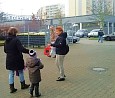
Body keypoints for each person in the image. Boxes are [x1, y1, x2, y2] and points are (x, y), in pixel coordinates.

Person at [4, 27, 30, 93]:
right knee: (20, 71)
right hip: (17, 59)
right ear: (15, 33)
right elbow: (21, 49)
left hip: (9, 59)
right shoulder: (16, 40)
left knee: (11, 73)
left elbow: (5, 50)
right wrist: (29, 51)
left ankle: (11, 88)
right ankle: (23, 84)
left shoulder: (6, 40)